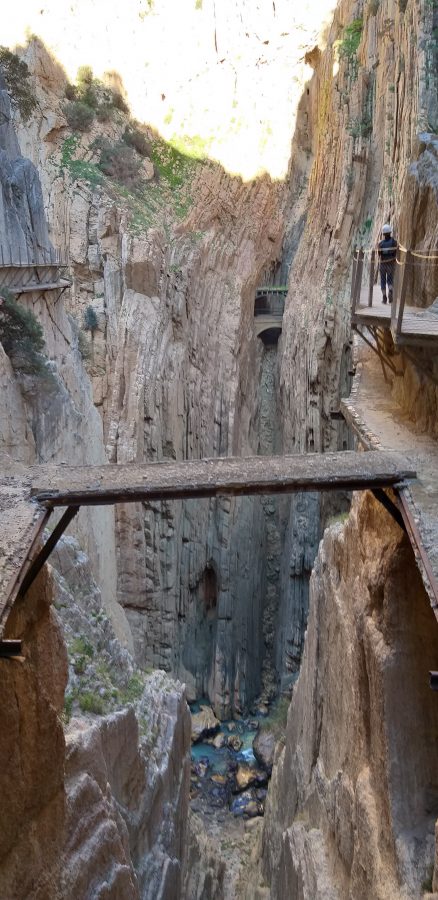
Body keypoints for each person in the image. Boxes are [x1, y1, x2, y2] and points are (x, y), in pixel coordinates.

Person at [378, 223, 398, 304]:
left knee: (382, 280)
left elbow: (379, 254)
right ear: (390, 232)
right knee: (390, 280)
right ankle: (390, 290)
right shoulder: (394, 242)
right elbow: (396, 252)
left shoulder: (380, 243)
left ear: (383, 234)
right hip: (391, 263)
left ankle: (384, 297)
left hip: (383, 264)